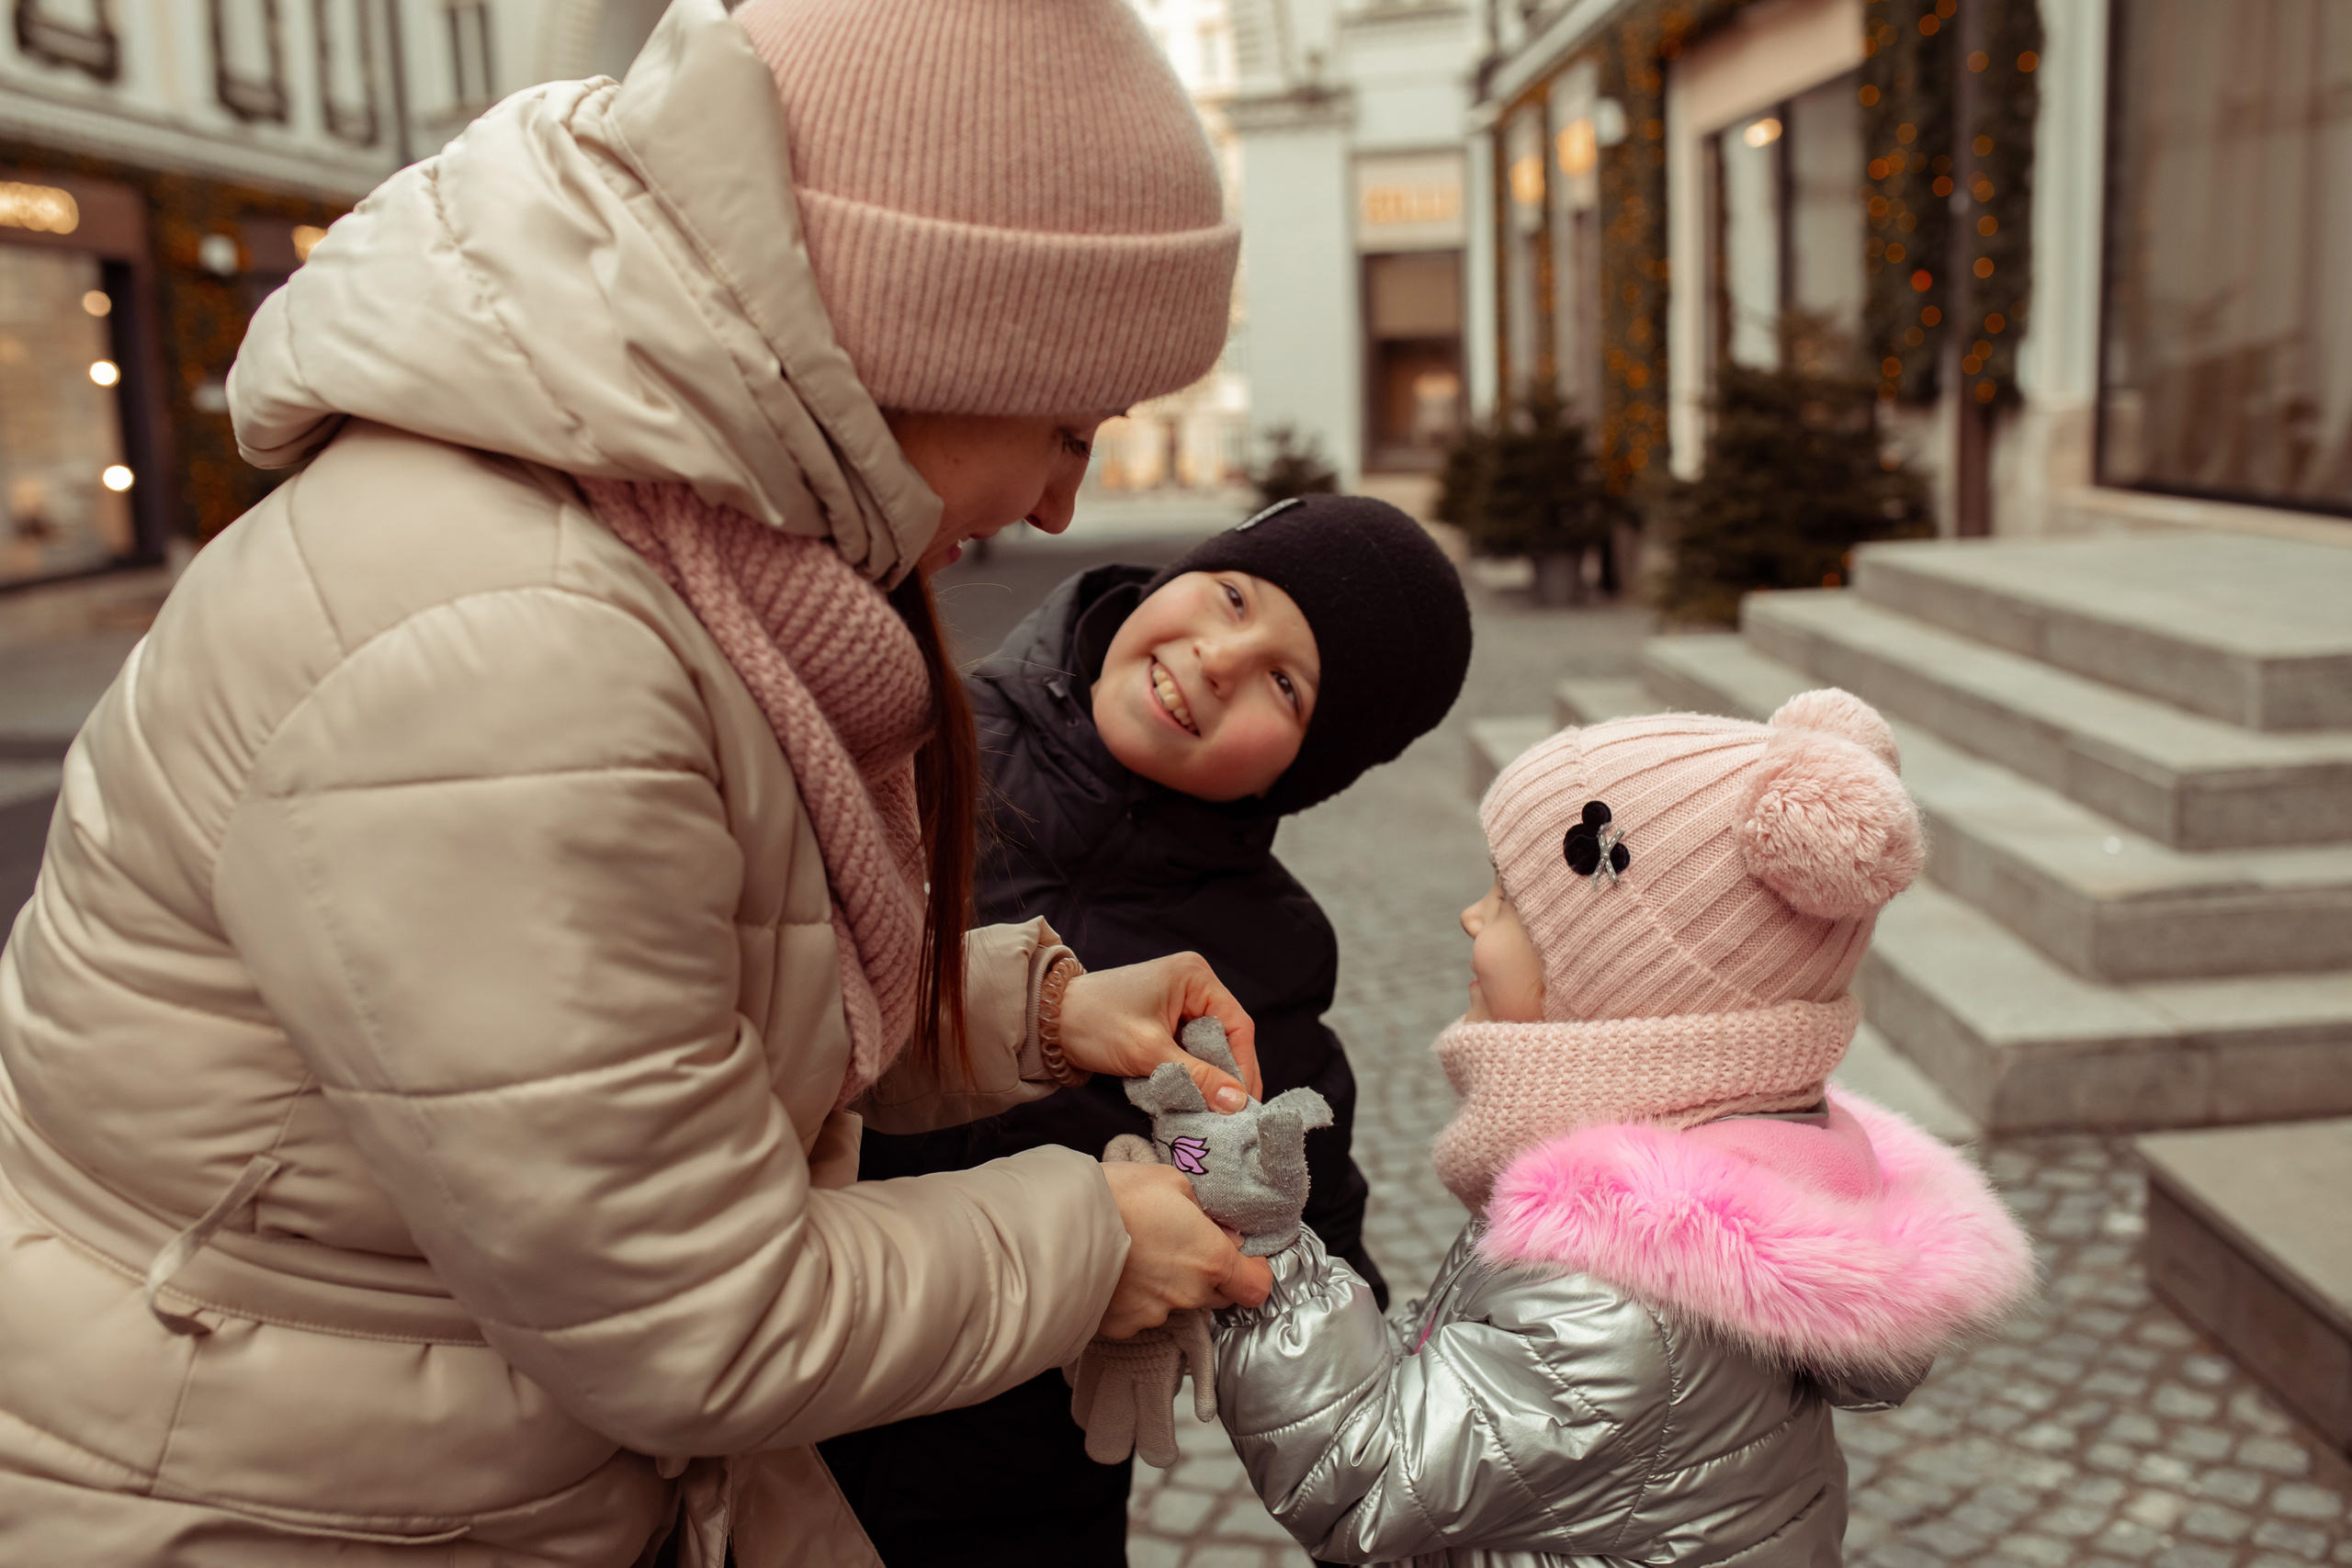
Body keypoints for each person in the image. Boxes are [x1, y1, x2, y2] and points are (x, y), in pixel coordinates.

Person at [0, 2, 1282, 1564]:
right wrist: (1091, 1238)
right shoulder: (518, 649)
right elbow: (695, 1315)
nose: (1067, 497)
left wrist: (1020, 1010)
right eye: (1067, 423)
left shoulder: (660, 543)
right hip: (282, 1496)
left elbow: (637, 1029)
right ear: (916, 331)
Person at [1206, 692, 2037, 1564]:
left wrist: (1269, 1251)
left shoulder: (1619, 1296)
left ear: (1623, 989)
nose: (1471, 915)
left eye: (1508, 898)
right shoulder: (1744, 1165)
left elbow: (1364, 1477)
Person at [826, 496, 1474, 1565]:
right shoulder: (915, 742)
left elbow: (1304, 1220)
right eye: (1231, 597)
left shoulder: (1264, 952)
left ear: (1302, 771)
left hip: (1020, 1476)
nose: (1220, 657)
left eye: (1284, 683)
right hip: (787, 1388)